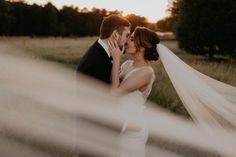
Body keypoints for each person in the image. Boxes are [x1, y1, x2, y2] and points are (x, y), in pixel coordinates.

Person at [108, 26, 160, 157]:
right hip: (120, 125)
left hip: (133, 130)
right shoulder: (127, 65)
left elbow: (115, 92)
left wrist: (116, 59)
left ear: (142, 47)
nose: (127, 42)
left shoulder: (146, 72)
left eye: (131, 39)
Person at [77, 15, 131, 84]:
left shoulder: (98, 51)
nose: (128, 40)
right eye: (127, 35)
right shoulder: (97, 63)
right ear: (115, 35)